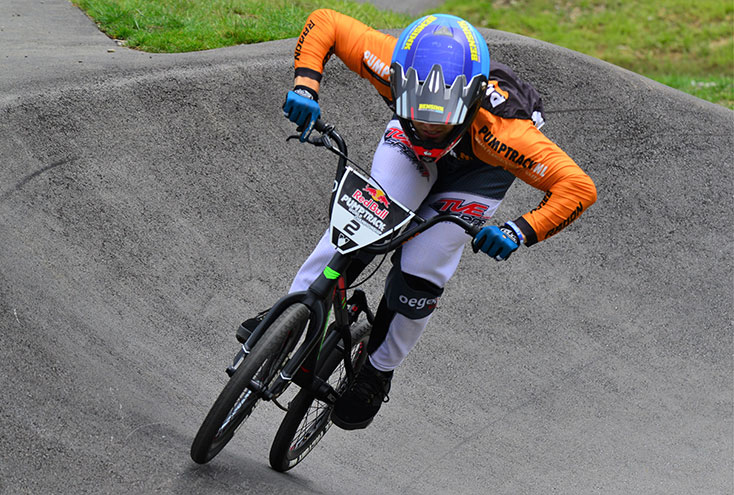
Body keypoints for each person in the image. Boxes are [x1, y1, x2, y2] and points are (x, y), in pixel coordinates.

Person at [249, 9, 597, 430]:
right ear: (399, 83)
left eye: (440, 124)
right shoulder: (387, 62)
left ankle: (378, 370)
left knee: (423, 265)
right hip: (407, 147)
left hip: (479, 171)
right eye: (420, 116)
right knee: (365, 217)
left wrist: (517, 231)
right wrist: (306, 87)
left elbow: (578, 187)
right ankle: (291, 313)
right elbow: (326, 22)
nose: (429, 131)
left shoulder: (507, 133)